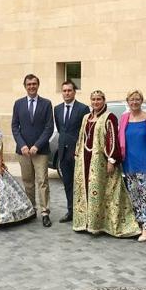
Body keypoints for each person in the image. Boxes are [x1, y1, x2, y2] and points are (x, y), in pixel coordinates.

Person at [73, 90, 140, 237]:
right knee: (86, 191)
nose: (96, 102)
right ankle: (86, 222)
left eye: (99, 99)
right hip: (85, 160)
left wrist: (112, 160)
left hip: (100, 162)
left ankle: (100, 224)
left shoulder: (109, 117)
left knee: (102, 192)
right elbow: (81, 137)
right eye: (93, 99)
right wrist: (77, 153)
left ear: (104, 100)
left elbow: (113, 139)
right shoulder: (86, 117)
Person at [11, 74, 54, 227]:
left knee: (42, 181)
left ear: (38, 85)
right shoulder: (18, 104)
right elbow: (15, 127)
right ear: (25, 86)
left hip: (40, 151)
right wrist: (22, 145)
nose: (31, 86)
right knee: (28, 181)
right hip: (23, 151)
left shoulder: (47, 104)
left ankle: (44, 212)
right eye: (29, 84)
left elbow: (49, 128)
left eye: (34, 84)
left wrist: (37, 145)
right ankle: (31, 210)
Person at [119, 89, 146, 242]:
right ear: (127, 101)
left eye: (137, 99)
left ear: (141, 101)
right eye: (131, 99)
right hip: (129, 162)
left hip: (145, 163)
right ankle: (139, 223)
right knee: (134, 196)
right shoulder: (123, 119)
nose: (134, 102)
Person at [53, 80, 89, 223]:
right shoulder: (57, 109)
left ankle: (83, 212)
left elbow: (85, 131)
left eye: (69, 90)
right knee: (67, 183)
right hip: (63, 152)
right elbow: (62, 129)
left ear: (74, 92)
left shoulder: (83, 108)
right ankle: (71, 211)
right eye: (64, 91)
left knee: (80, 183)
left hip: (77, 152)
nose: (67, 93)